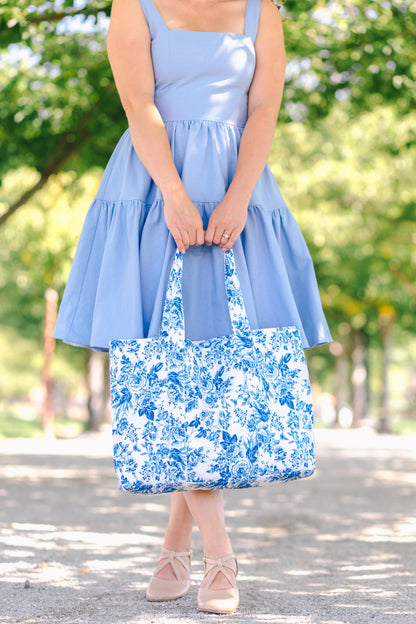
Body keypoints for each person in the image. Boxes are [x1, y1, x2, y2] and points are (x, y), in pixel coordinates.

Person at [53, 0, 332, 614]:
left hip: (239, 185)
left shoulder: (263, 10)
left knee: (212, 370)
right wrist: (175, 196)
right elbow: (140, 105)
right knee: (175, 369)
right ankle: (222, 556)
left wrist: (238, 195)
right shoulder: (134, 6)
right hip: (154, 190)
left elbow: (263, 109)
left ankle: (175, 547)